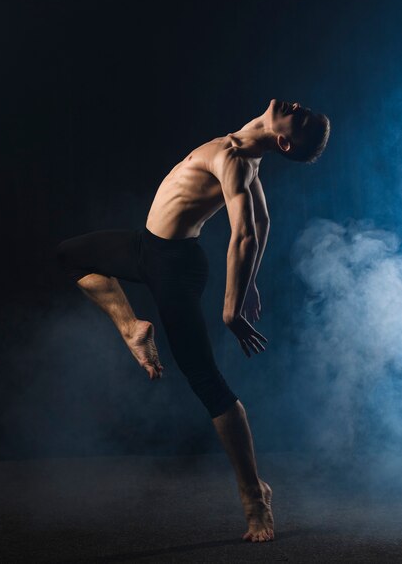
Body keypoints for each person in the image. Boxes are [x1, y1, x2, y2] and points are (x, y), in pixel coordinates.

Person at [56, 98, 330, 543]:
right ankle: (131, 327)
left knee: (205, 380)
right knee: (68, 255)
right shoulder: (241, 145)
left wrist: (232, 306)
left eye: (298, 116)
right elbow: (264, 219)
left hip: (174, 267)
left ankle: (254, 496)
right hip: (146, 248)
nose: (295, 105)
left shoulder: (237, 160)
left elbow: (244, 233)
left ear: (282, 139)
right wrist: (254, 281)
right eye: (301, 109)